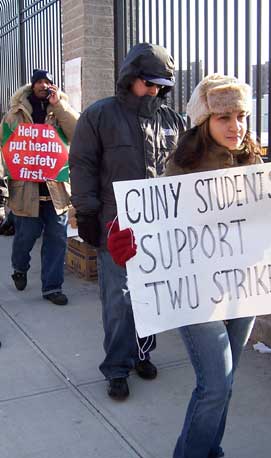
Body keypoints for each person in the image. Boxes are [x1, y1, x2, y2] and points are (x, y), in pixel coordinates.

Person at [107, 73, 271, 457]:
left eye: (241, 116)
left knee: (226, 381)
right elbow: (152, 220)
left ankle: (210, 449)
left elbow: (254, 222)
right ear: (203, 120)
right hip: (198, 294)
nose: (236, 126)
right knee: (214, 384)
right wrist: (122, 239)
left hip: (243, 287)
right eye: (224, 117)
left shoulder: (253, 162)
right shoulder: (182, 167)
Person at [69, 43, 185, 400]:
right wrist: (86, 213)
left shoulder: (173, 121)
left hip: (159, 228)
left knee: (150, 296)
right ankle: (117, 367)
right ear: (130, 78)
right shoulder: (100, 115)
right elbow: (83, 165)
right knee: (118, 299)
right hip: (114, 227)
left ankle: (142, 353)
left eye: (159, 85)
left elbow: (188, 170)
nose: (153, 90)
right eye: (147, 83)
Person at [0, 69, 79, 305]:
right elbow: (4, 148)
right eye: (40, 82)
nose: (44, 86)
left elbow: (77, 132)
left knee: (57, 240)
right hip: (26, 190)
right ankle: (20, 267)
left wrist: (59, 107)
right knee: (25, 238)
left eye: (48, 82)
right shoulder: (15, 115)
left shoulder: (60, 110)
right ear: (32, 85)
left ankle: (52, 287)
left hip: (56, 191)